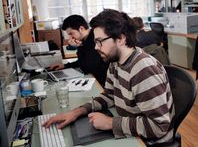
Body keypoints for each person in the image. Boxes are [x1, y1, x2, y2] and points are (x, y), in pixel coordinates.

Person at [43, 9, 174, 145]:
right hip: (131, 129)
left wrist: (111, 123)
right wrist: (78, 111)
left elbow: (159, 127)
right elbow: (110, 95)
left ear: (121, 38)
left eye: (100, 41)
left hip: (148, 141)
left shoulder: (144, 70)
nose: (95, 47)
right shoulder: (115, 61)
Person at [49, 15, 109, 86]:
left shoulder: (93, 40)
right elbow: (84, 61)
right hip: (95, 78)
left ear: (81, 28)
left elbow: (87, 68)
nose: (70, 37)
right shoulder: (86, 39)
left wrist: (79, 47)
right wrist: (65, 66)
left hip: (102, 82)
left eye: (71, 33)